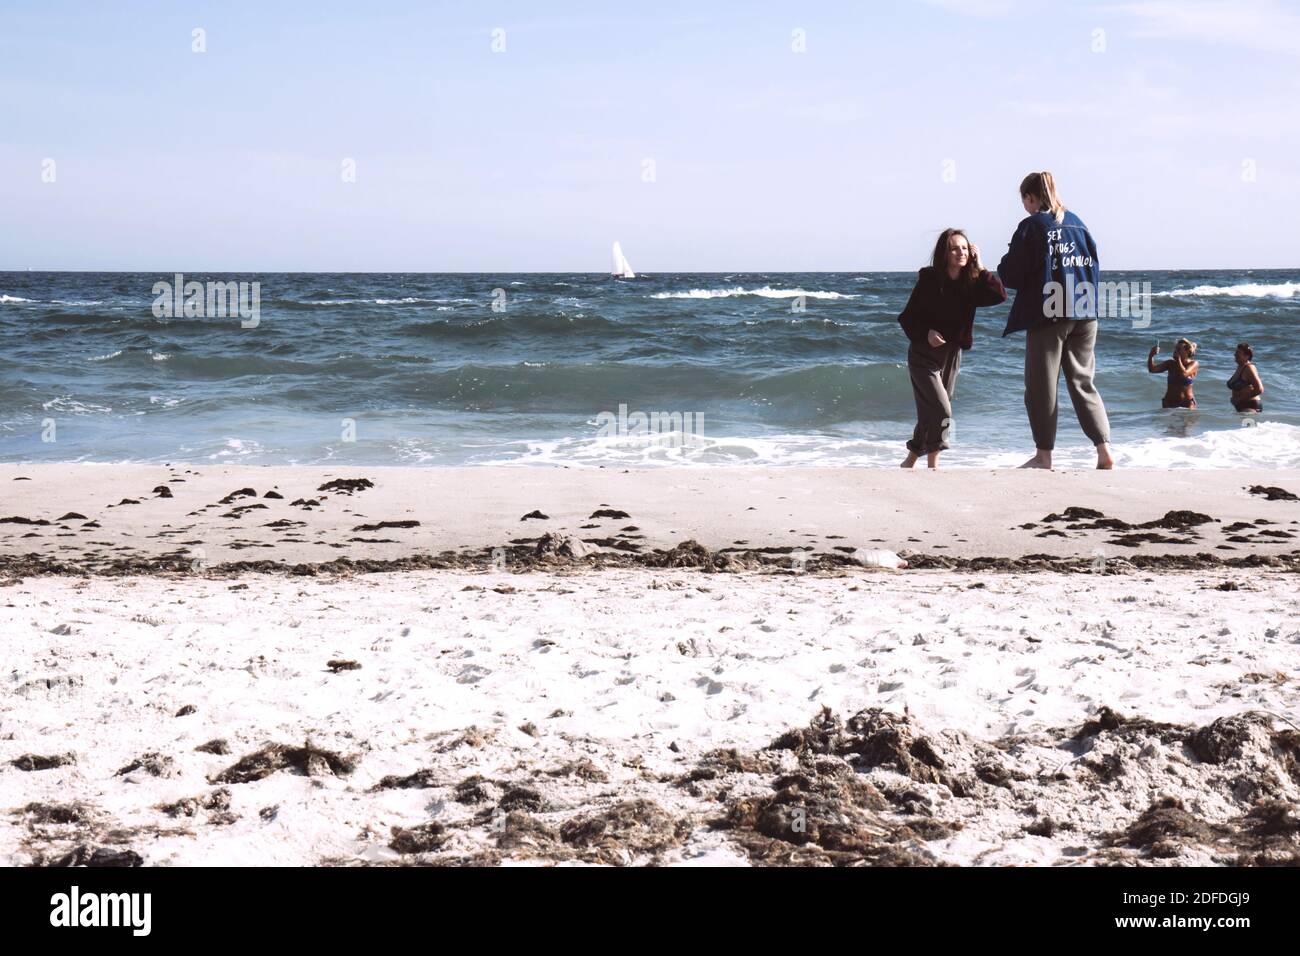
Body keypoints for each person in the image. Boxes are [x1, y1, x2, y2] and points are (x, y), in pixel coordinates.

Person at [997, 171, 1114, 469]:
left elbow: (1012, 273)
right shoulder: (1079, 223)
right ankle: (1104, 451)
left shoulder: (1033, 225)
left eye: (1024, 199)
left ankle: (1043, 455)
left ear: (1030, 197)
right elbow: (1094, 264)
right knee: (1083, 382)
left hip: (1050, 311)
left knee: (1041, 387)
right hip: (1085, 309)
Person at [898, 228, 1006, 468]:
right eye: (955, 248)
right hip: (922, 354)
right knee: (941, 408)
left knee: (931, 411)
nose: (961, 252)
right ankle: (933, 464)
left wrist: (982, 265)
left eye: (965, 248)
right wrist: (926, 333)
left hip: (951, 355)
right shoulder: (929, 281)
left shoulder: (973, 283)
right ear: (944, 253)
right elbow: (907, 318)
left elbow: (999, 295)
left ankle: (911, 459)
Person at [1147, 338, 1198, 408]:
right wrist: (1151, 356)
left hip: (1186, 404)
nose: (1175, 351)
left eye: (1179, 349)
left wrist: (1178, 360)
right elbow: (1152, 370)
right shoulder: (1170, 364)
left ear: (1186, 352)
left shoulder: (1194, 363)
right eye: (1175, 349)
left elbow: (1184, 374)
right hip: (1169, 403)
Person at [1228, 342, 1264, 412]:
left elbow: (1259, 389)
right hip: (1241, 406)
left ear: (1246, 356)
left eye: (1238, 353)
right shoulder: (1240, 367)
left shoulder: (1249, 368)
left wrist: (1239, 399)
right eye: (1235, 352)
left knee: (1246, 423)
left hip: (1251, 406)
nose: (1235, 354)